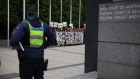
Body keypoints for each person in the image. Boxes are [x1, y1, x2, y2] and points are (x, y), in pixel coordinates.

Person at [10, 7, 56, 79]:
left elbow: (13, 41)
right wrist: (43, 46)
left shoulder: (24, 24)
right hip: (39, 58)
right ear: (37, 14)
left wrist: (20, 48)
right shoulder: (44, 25)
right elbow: (53, 39)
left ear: (27, 14)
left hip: (26, 60)